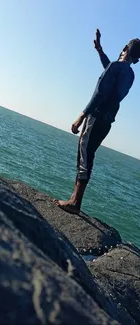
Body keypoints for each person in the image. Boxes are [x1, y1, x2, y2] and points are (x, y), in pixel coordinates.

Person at [54, 29, 140, 214]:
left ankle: (75, 202)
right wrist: (100, 50)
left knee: (84, 155)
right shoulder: (129, 74)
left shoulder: (117, 67)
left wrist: (81, 116)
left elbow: (99, 93)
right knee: (89, 154)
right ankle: (75, 200)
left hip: (96, 117)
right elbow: (110, 70)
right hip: (107, 122)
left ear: (124, 48)